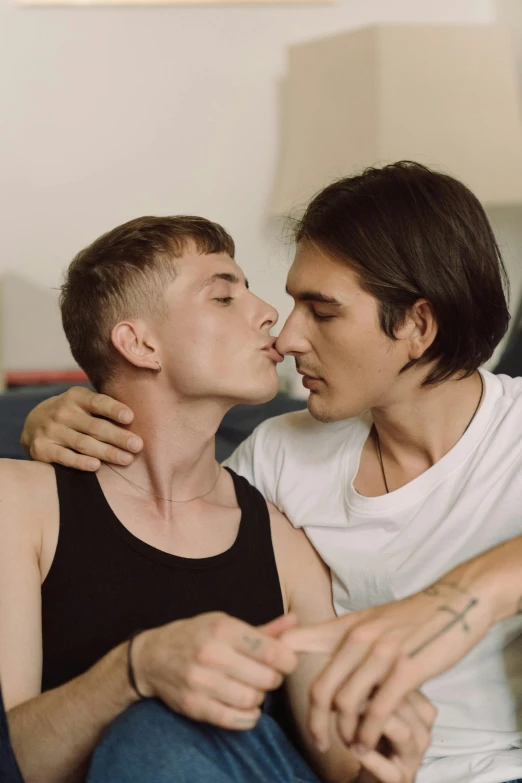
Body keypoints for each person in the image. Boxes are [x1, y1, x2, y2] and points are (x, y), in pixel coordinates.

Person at [25, 162, 522, 783]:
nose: (286, 337)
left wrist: (466, 598)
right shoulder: (280, 453)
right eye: (292, 304)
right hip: (333, 765)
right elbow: (165, 505)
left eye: (323, 312)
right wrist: (61, 411)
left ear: (417, 326)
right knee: (158, 729)